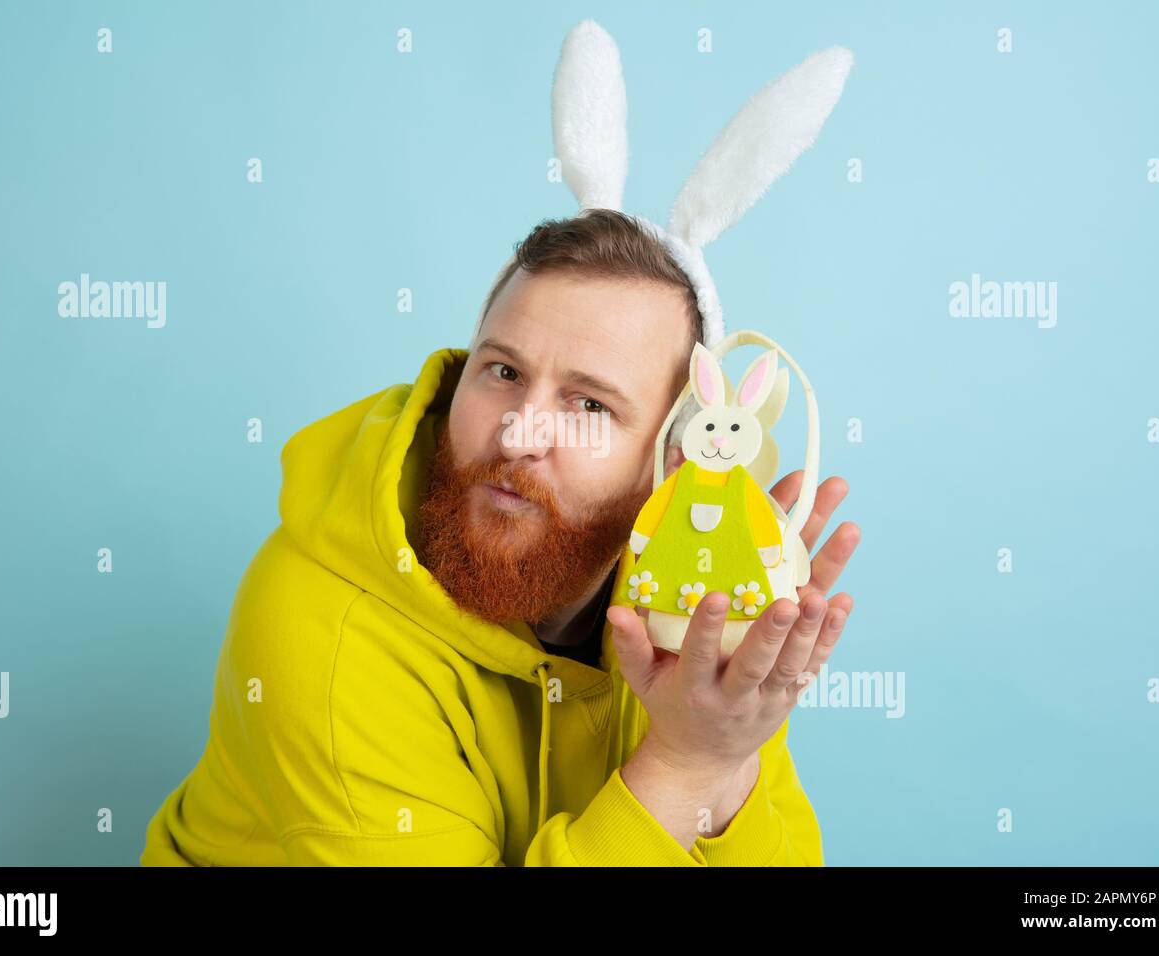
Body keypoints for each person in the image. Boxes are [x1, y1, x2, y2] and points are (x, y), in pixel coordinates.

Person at [139, 209, 860, 866]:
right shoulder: (321, 626)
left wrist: (725, 757)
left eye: (588, 403)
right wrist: (683, 768)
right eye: (504, 371)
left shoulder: (700, 609)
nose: (520, 433)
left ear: (679, 457)